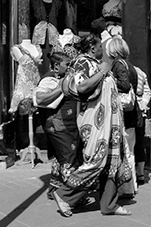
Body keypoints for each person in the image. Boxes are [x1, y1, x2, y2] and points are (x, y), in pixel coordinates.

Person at [52, 34, 132, 217]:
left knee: (111, 161)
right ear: (93, 48)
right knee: (96, 161)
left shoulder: (96, 64)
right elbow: (81, 88)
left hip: (109, 123)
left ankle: (109, 204)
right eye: (100, 47)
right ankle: (65, 195)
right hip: (95, 122)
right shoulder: (83, 63)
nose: (103, 50)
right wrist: (103, 72)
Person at [33, 51, 82, 202]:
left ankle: (55, 189)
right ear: (56, 65)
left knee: (62, 157)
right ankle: (68, 195)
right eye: (67, 65)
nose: (69, 68)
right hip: (57, 125)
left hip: (66, 124)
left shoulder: (61, 78)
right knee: (69, 158)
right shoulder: (49, 80)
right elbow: (39, 99)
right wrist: (61, 87)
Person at [105, 37, 139, 199]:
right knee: (129, 150)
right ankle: (131, 186)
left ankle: (126, 188)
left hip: (123, 114)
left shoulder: (119, 65)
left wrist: (108, 80)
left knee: (124, 150)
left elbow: (124, 85)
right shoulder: (130, 65)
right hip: (131, 114)